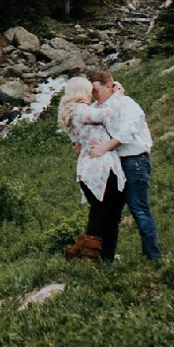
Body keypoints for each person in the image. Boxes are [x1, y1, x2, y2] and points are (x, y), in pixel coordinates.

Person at [70, 67, 161, 262]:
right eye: (91, 92)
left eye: (96, 90)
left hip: (134, 159)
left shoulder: (126, 103)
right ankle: (106, 259)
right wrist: (78, 143)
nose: (94, 95)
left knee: (139, 208)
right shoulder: (97, 109)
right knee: (112, 215)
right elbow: (80, 124)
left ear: (109, 87)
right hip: (113, 166)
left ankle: (153, 257)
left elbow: (128, 130)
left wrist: (104, 147)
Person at [57, 76, 124, 261]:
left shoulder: (73, 112)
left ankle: (102, 257)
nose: (92, 94)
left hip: (91, 166)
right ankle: (88, 255)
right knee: (102, 214)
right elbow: (107, 114)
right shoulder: (80, 110)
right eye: (89, 91)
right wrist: (117, 94)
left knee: (105, 213)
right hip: (100, 166)